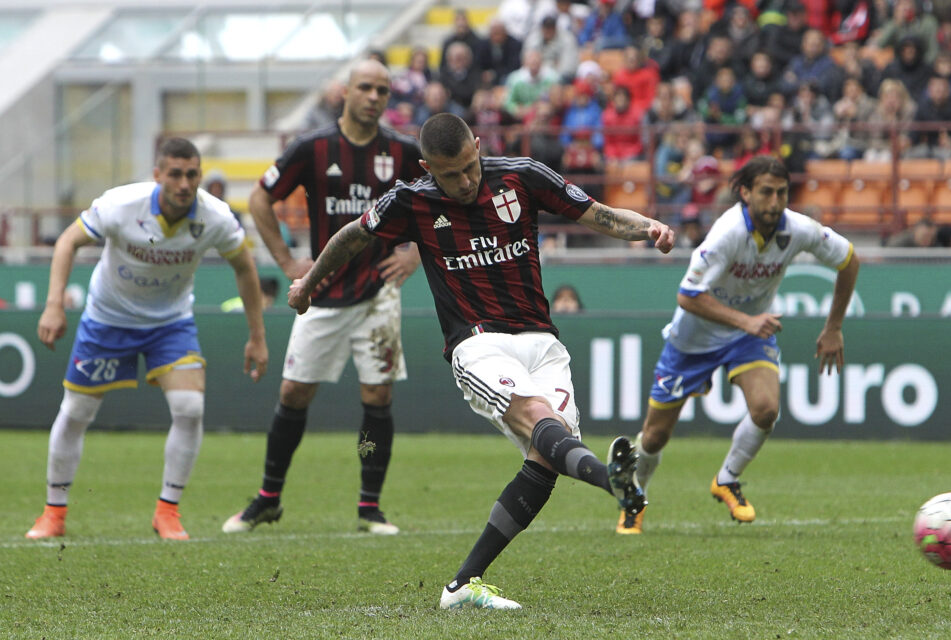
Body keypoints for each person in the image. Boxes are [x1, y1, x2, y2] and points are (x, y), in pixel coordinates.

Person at [287, 113, 674, 609]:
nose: (466, 181)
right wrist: (308, 285)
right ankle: (613, 481)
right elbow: (349, 237)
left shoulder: (522, 175)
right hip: (478, 343)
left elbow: (597, 212)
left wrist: (650, 227)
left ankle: (462, 585)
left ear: (477, 144)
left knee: (547, 454)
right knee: (540, 420)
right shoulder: (410, 200)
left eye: (471, 166)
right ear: (429, 167)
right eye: (451, 175)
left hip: (543, 343)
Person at [25, 137, 269, 541]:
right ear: (158, 175)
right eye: (175, 174)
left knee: (190, 407)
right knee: (76, 412)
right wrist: (54, 304)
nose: (184, 183)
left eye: (192, 175)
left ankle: (167, 512)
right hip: (108, 318)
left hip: (170, 322)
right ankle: (54, 513)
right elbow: (68, 241)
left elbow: (245, 268)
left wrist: (256, 336)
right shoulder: (120, 205)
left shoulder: (217, 218)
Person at [221, 58, 425, 536]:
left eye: (383, 90)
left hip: (379, 294)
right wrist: (288, 263)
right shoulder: (312, 148)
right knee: (293, 391)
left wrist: (413, 250)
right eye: (366, 88)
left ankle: (369, 507)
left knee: (377, 394)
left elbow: (440, 200)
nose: (375, 97)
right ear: (345, 92)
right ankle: (268, 499)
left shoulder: (402, 151)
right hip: (322, 294)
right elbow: (257, 200)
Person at [615, 155, 859, 534]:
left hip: (747, 336)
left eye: (781, 193)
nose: (775, 201)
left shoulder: (799, 229)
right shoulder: (728, 232)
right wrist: (748, 320)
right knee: (655, 435)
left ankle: (727, 479)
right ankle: (636, 496)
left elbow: (849, 260)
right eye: (766, 192)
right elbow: (687, 295)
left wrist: (834, 328)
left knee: (766, 410)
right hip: (693, 337)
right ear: (745, 193)